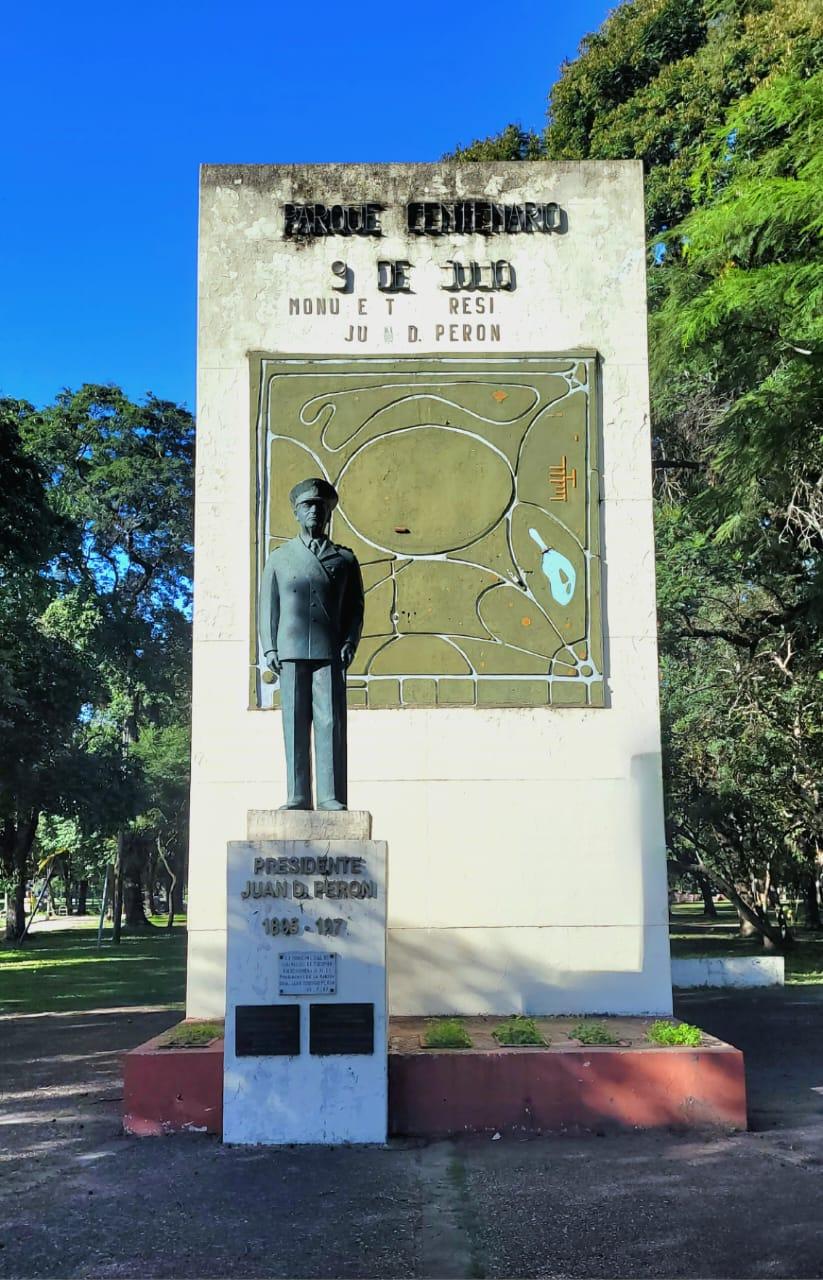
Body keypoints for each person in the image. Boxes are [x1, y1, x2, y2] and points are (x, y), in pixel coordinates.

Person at [259, 477, 364, 810]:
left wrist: (350, 641)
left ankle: (330, 795)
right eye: (308, 506)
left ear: (329, 512)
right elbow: (267, 607)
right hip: (289, 649)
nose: (315, 512)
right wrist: (270, 647)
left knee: (329, 722)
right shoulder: (279, 558)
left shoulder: (344, 560)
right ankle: (297, 794)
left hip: (329, 649)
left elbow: (355, 608)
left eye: (321, 506)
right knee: (293, 722)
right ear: (296, 512)